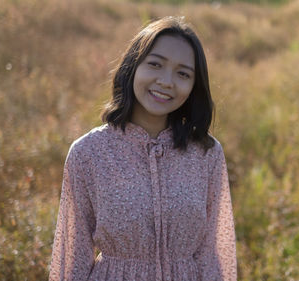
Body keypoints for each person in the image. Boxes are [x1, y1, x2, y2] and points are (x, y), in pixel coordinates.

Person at [49, 16, 237, 281]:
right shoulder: (87, 153)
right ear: (133, 67)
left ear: (194, 86)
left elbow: (215, 255)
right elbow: (72, 259)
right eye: (155, 64)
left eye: (183, 73)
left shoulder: (206, 153)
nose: (166, 81)